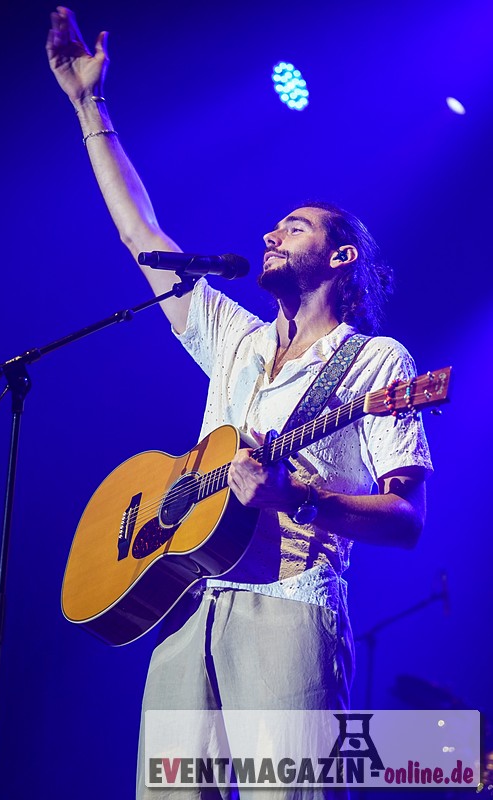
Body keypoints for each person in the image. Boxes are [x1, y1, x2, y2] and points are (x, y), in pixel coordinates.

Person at [47, 7, 433, 798]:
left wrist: (299, 495)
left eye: (292, 228)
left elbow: (406, 521)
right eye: (273, 225)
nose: (269, 234)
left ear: (340, 255)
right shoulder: (236, 337)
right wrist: (91, 108)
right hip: (185, 600)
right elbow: (140, 236)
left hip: (288, 609)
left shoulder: (376, 362)